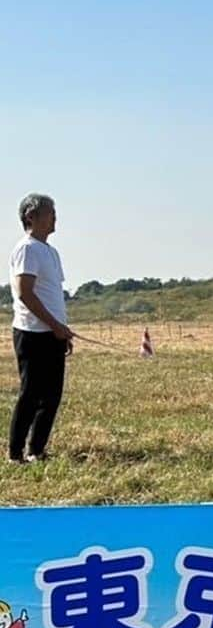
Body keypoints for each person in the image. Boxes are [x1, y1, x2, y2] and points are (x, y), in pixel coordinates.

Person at [8, 194, 74, 464]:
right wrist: (54, 325)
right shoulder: (27, 249)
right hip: (32, 334)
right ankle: (15, 454)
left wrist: (62, 330)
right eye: (49, 212)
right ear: (31, 217)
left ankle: (36, 450)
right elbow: (26, 293)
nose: (54, 217)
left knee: (52, 396)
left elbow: (51, 295)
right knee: (31, 395)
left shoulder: (50, 251)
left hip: (52, 334)